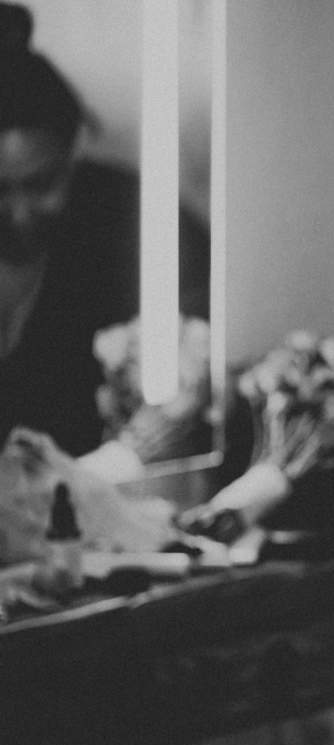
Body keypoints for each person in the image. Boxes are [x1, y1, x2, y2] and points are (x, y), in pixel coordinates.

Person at [0, 2, 209, 456]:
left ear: (72, 152)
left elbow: (198, 368)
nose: (18, 213)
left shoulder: (134, 226)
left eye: (41, 185)